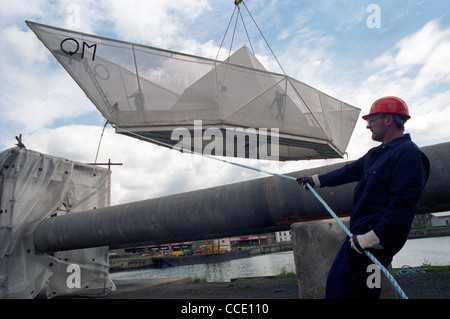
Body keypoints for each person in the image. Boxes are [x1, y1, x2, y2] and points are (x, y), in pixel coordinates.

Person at [297, 96, 430, 299]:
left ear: (389, 120)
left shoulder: (408, 154)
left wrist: (373, 237)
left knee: (341, 290)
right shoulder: (377, 154)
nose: (368, 126)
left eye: (372, 120)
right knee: (367, 289)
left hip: (375, 243)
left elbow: (403, 205)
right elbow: (349, 171)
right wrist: (316, 180)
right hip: (362, 237)